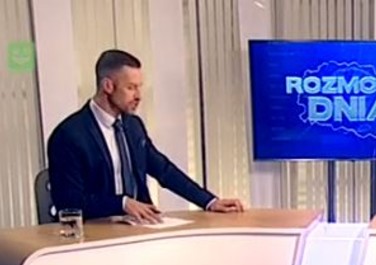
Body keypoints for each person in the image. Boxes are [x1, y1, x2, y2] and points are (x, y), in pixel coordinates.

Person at [47, 49, 243, 223]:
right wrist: (121, 203)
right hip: (96, 233)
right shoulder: (69, 136)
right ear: (108, 86)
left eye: (139, 87)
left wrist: (209, 201)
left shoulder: (133, 126)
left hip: (139, 227)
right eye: (131, 88)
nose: (139, 96)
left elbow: (164, 170)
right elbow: (69, 202)